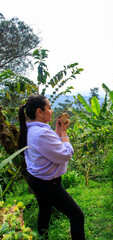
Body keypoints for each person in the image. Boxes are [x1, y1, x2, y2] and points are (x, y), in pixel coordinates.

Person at [18, 95, 85, 240]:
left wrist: (57, 131)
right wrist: (65, 133)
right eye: (49, 108)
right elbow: (65, 154)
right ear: (39, 112)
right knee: (77, 215)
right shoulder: (42, 133)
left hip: (36, 179)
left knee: (45, 209)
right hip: (48, 184)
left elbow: (48, 148)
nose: (52, 111)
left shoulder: (32, 129)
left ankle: (43, 237)